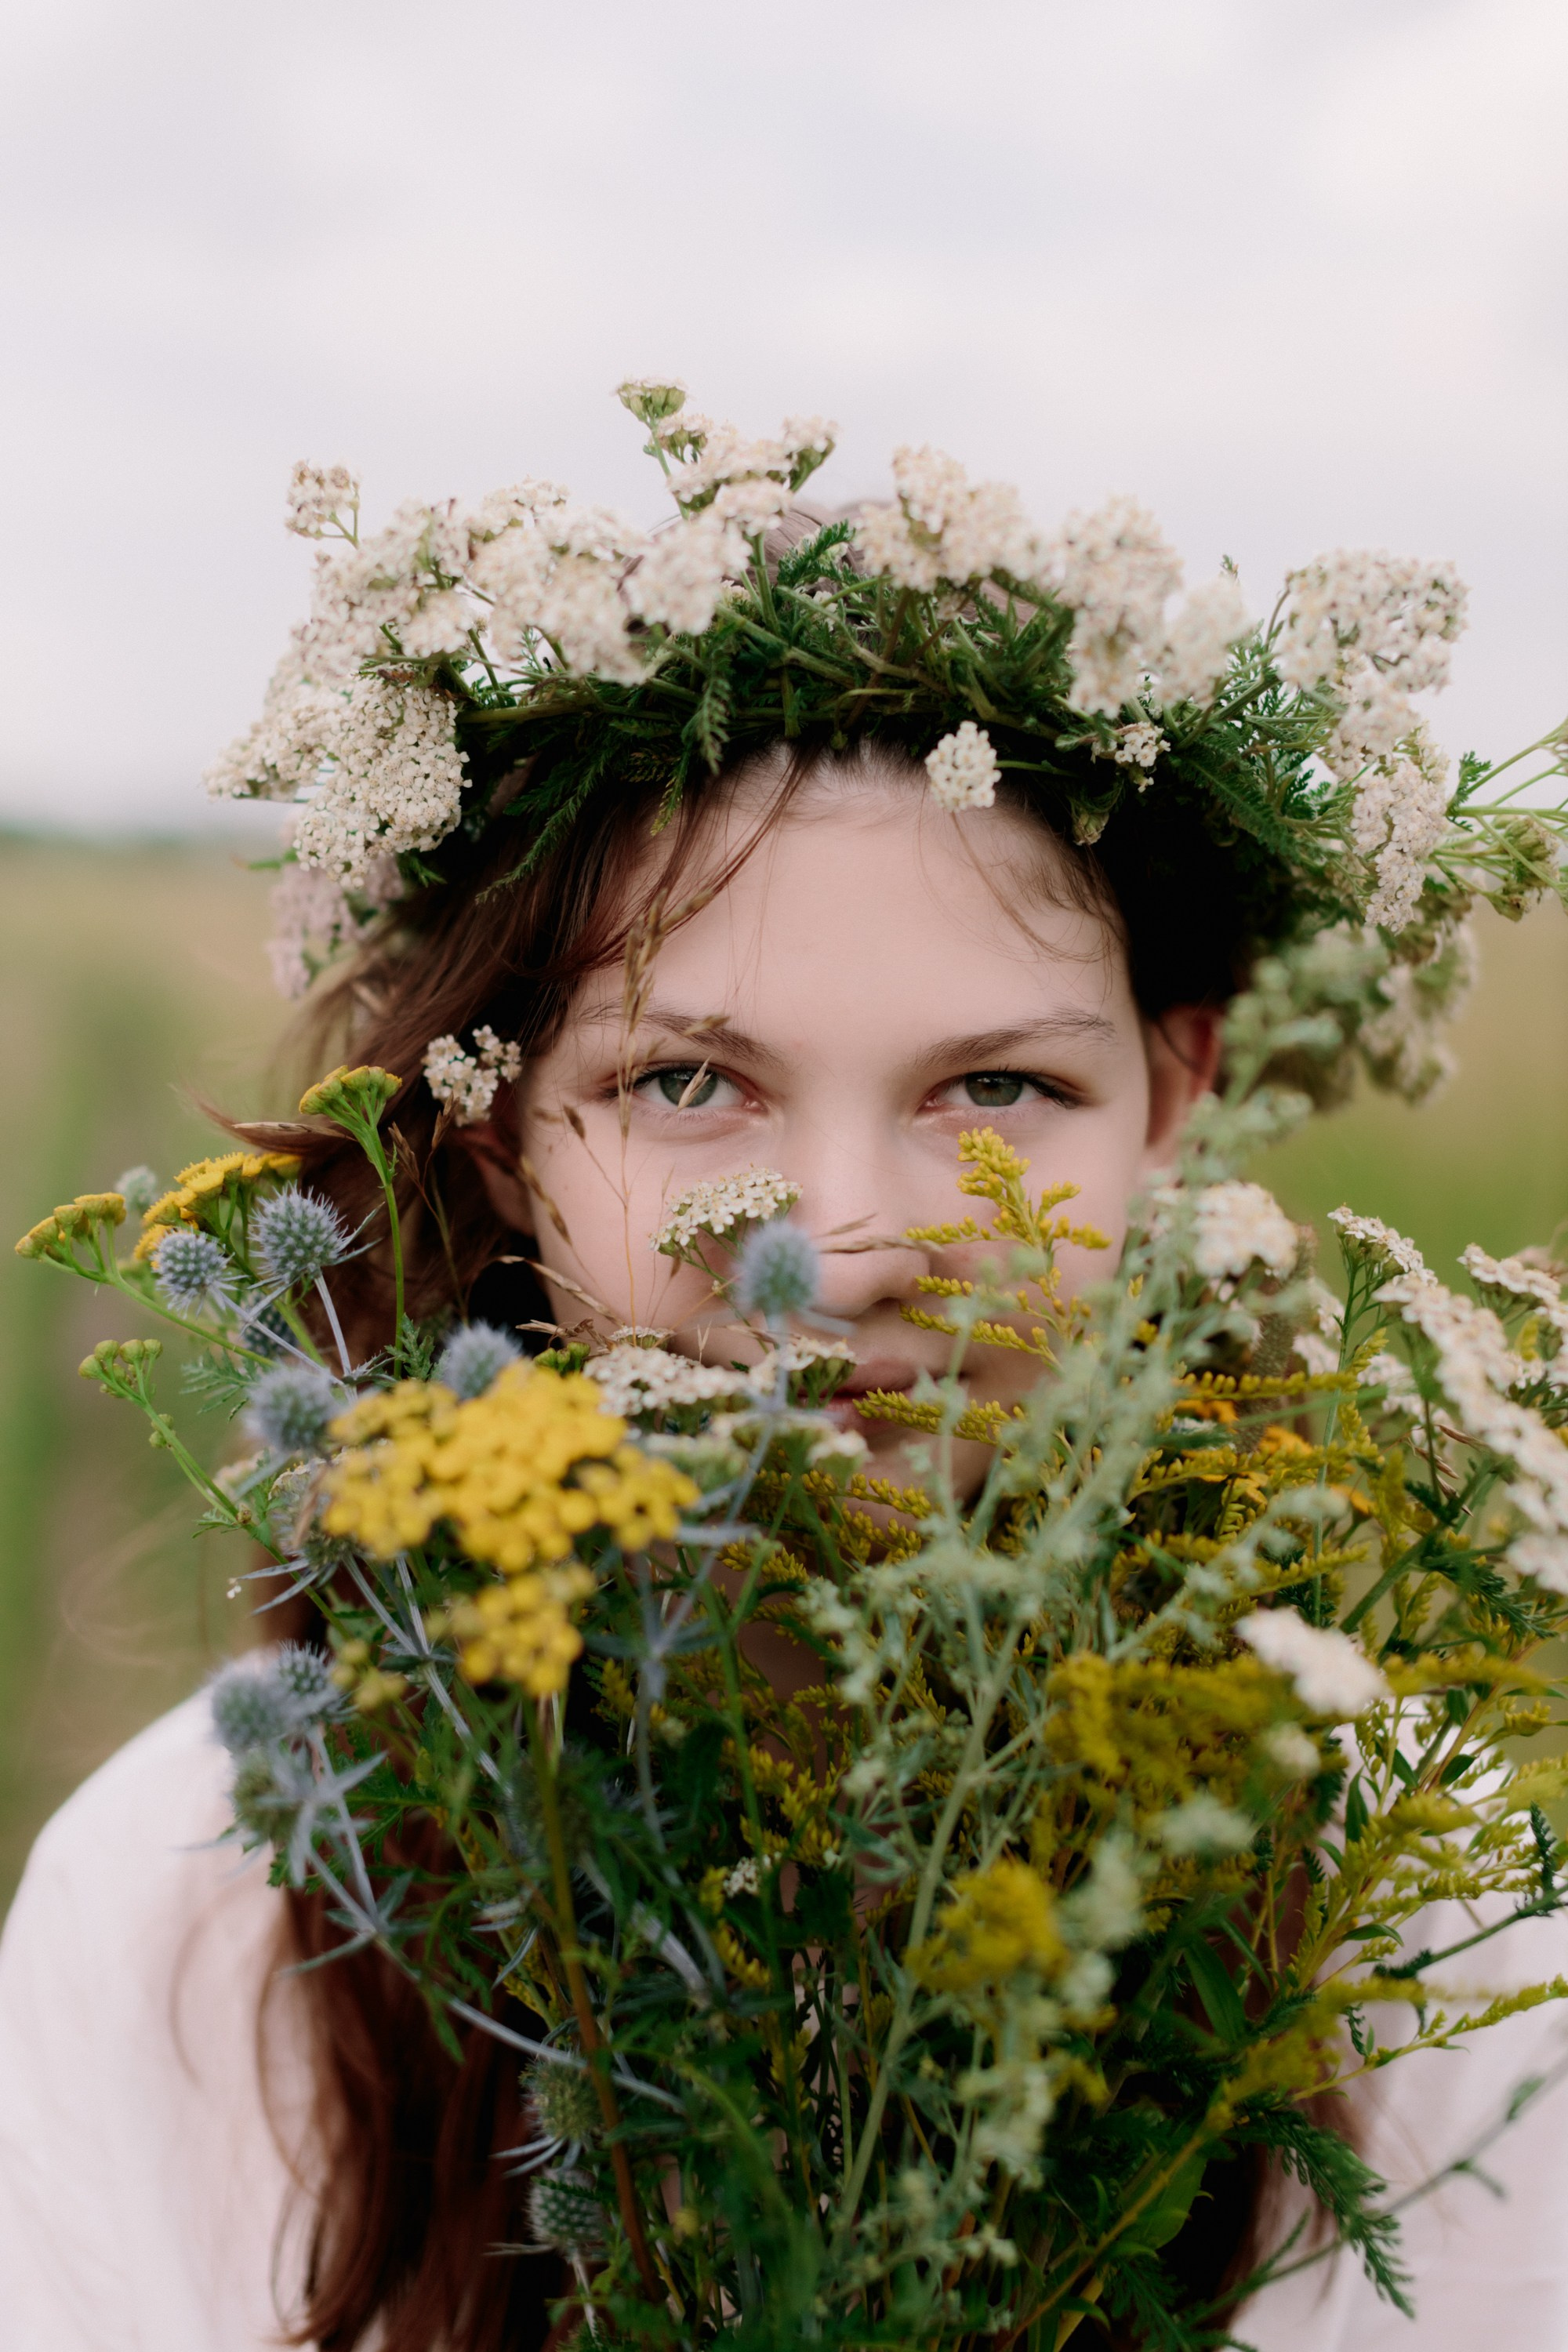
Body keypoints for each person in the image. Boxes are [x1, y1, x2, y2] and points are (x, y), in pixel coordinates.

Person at [2, 401, 1563, 2350]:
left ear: (1179, 1112)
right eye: (686, 1083)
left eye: (998, 1087)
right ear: (497, 1142)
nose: (842, 1245)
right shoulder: (186, 1907)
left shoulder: (1429, 1921)